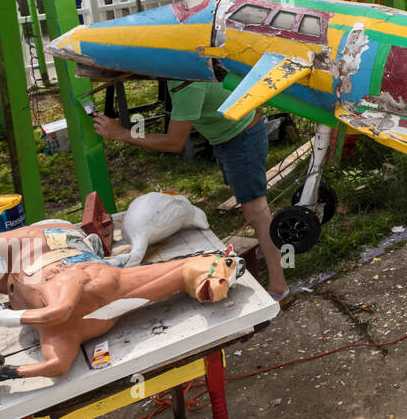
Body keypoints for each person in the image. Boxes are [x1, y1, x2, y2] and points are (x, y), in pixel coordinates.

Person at [92, 80, 291, 302]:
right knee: (252, 207)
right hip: (231, 137)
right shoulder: (177, 70)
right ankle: (268, 249)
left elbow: (173, 142)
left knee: (255, 211)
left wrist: (122, 134)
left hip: (241, 139)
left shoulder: (187, 85)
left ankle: (280, 288)